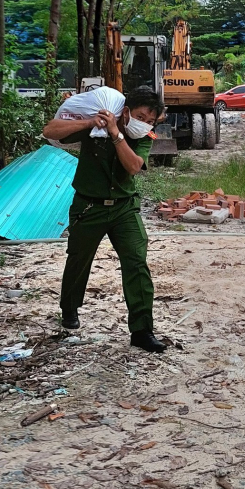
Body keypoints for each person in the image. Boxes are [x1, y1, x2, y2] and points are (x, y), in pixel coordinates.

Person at [42, 86, 166, 353]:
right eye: (141, 116)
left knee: (136, 262)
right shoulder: (94, 124)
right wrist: (90, 122)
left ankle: (142, 330)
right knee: (78, 259)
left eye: (150, 121)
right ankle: (70, 309)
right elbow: (50, 131)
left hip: (124, 209)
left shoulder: (142, 137)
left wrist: (116, 135)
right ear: (126, 110)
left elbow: (134, 167)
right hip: (88, 207)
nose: (144, 123)